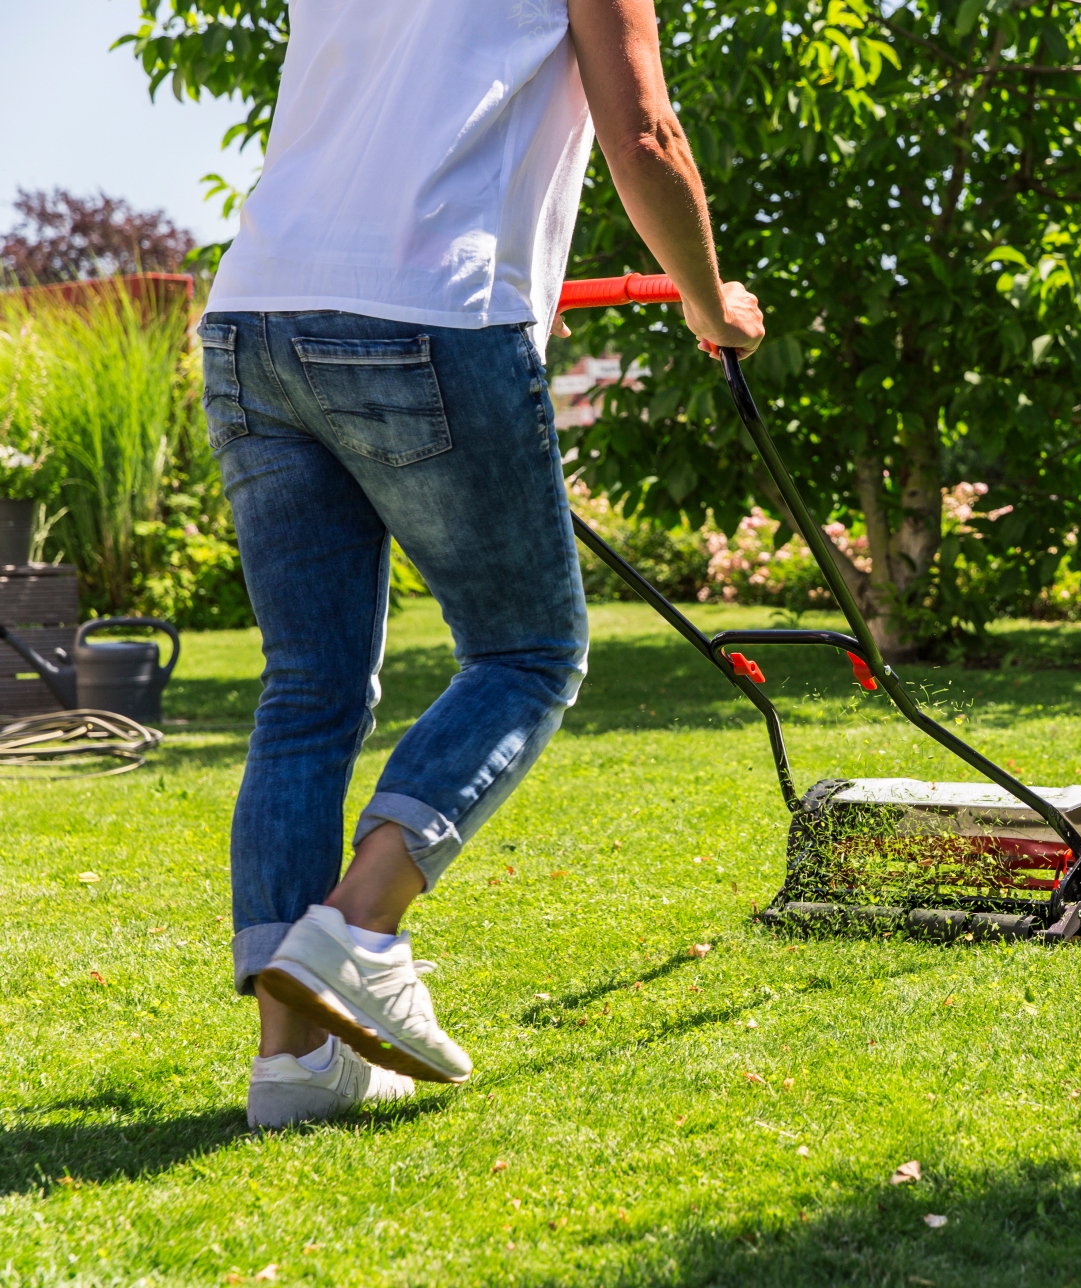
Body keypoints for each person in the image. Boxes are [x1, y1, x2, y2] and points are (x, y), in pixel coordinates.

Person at [200, 0, 763, 1128]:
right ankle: (360, 926)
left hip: (252, 316)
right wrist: (712, 304)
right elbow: (643, 132)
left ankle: (293, 1063)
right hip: (429, 310)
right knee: (528, 650)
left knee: (307, 688)